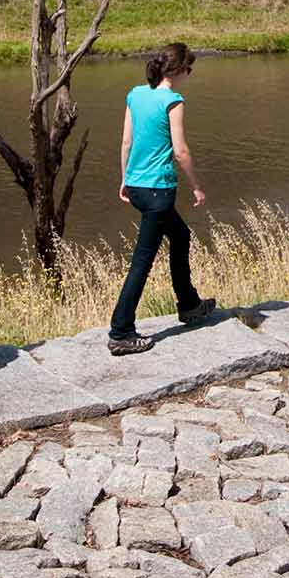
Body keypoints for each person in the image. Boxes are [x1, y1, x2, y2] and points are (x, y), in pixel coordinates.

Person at [109, 43, 216, 355]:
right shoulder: (173, 101)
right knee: (142, 261)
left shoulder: (135, 94)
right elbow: (181, 151)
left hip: (137, 187)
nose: (189, 74)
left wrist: (125, 179)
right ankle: (121, 331)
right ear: (178, 70)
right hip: (158, 191)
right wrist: (196, 186)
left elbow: (126, 141)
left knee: (181, 236)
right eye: (189, 69)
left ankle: (189, 305)